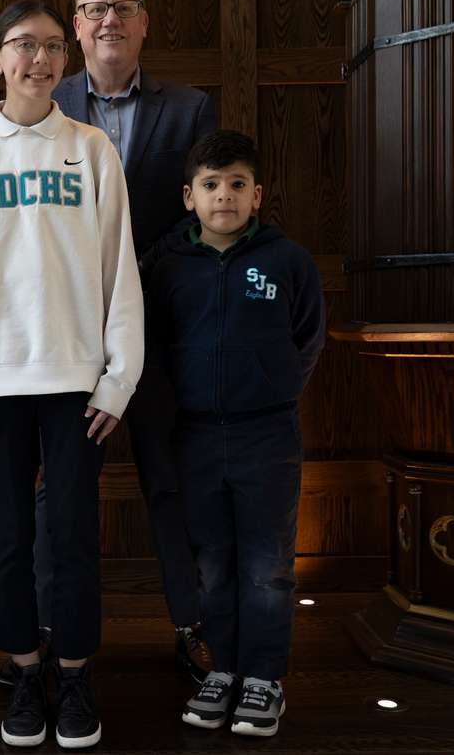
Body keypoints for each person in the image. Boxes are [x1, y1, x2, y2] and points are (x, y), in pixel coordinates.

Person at [0, 0, 144, 749]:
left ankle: (75, 671)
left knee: (76, 536)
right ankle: (25, 669)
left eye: (54, 46)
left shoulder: (91, 148)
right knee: (11, 537)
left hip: (77, 377)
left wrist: (118, 378)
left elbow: (120, 270)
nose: (41, 59)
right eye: (25, 45)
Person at [16, 0, 218, 686]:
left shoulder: (190, 109)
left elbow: (200, 215)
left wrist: (127, 272)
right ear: (76, 27)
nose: (110, 20)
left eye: (124, 7)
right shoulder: (46, 101)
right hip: (67, 335)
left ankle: (194, 628)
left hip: (161, 330)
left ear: (144, 22)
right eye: (96, 9)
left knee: (171, 482)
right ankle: (47, 631)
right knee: (59, 492)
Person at [144, 130, 324, 738]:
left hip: (267, 436)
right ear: (189, 197)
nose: (225, 196)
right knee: (213, 564)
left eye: (237, 184)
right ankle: (222, 669)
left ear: (257, 195)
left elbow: (307, 338)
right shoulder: (169, 269)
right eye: (212, 185)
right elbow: (154, 348)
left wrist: (273, 387)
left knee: (268, 566)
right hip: (194, 436)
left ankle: (264, 678)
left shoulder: (287, 261)